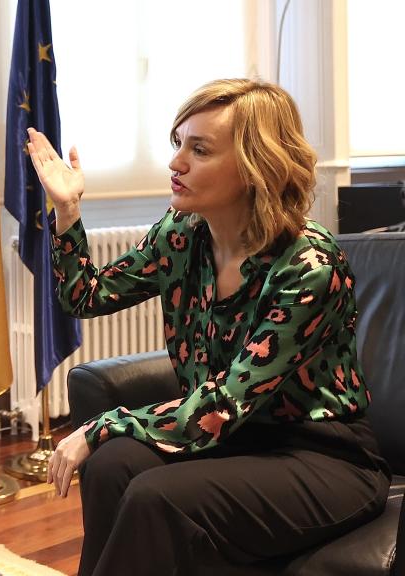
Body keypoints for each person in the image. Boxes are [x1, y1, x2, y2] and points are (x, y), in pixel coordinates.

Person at [28, 78, 390, 575]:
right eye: (178, 143)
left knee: (156, 496)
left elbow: (224, 403)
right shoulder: (181, 235)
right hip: (234, 440)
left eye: (199, 150)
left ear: (253, 166)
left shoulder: (308, 266)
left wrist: (103, 424)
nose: (177, 163)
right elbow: (85, 296)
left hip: (321, 456)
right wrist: (68, 211)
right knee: (112, 465)